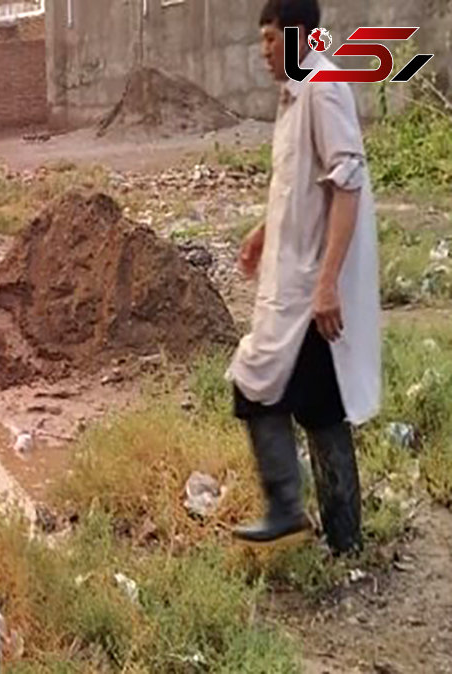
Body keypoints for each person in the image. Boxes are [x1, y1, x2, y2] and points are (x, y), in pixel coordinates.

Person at [228, 0, 381, 555]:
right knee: (311, 405)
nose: (263, 50)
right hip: (291, 282)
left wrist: (327, 283)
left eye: (270, 38)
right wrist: (262, 231)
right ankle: (329, 533)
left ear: (295, 35)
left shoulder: (323, 86)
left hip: (312, 288)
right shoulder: (296, 94)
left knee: (280, 393)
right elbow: (299, 186)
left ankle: (304, 518)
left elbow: (347, 183)